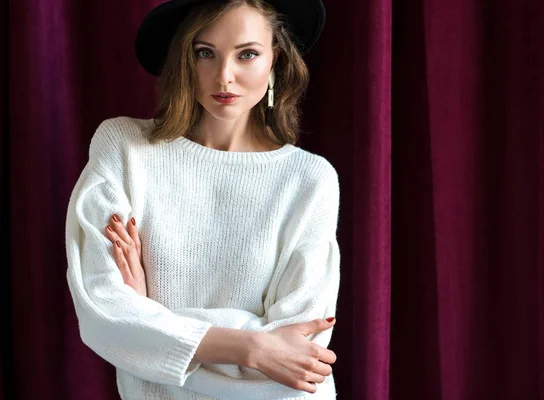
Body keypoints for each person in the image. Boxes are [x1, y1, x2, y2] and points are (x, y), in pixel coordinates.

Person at [64, 0, 341, 399]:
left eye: (247, 54)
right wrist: (254, 347)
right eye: (204, 53)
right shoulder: (125, 149)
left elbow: (299, 356)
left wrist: (151, 322)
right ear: (183, 58)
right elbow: (103, 314)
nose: (224, 76)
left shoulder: (309, 179)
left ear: (274, 60)